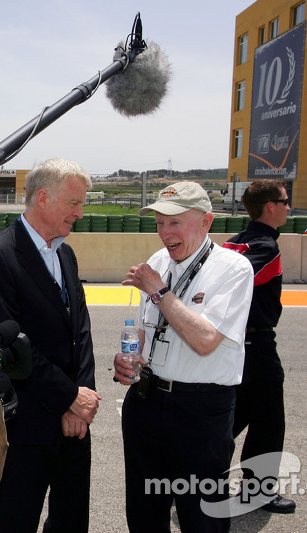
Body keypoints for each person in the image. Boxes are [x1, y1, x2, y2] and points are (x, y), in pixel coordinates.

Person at [114, 181, 254, 533]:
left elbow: (205, 339)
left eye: (175, 222)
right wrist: (129, 360)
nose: (164, 232)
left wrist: (159, 291)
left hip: (200, 412)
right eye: (160, 222)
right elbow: (147, 330)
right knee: (144, 514)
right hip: (147, 402)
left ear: (206, 222)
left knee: (202, 517)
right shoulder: (157, 262)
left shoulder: (233, 269)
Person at [0, 158, 101, 533]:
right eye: (74, 203)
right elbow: (13, 349)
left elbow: (81, 331)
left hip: (75, 422)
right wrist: (69, 398)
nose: (80, 213)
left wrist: (83, 399)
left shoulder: (65, 252)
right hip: (29, 423)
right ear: (43, 198)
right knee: (18, 519)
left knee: (71, 519)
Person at [222, 179, 296, 514]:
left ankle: (198, 479)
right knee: (268, 421)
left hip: (230, 342)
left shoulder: (231, 243)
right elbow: (235, 282)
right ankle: (258, 491)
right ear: (271, 206)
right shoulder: (265, 247)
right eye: (285, 200)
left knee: (233, 417)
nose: (289, 206)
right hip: (257, 345)